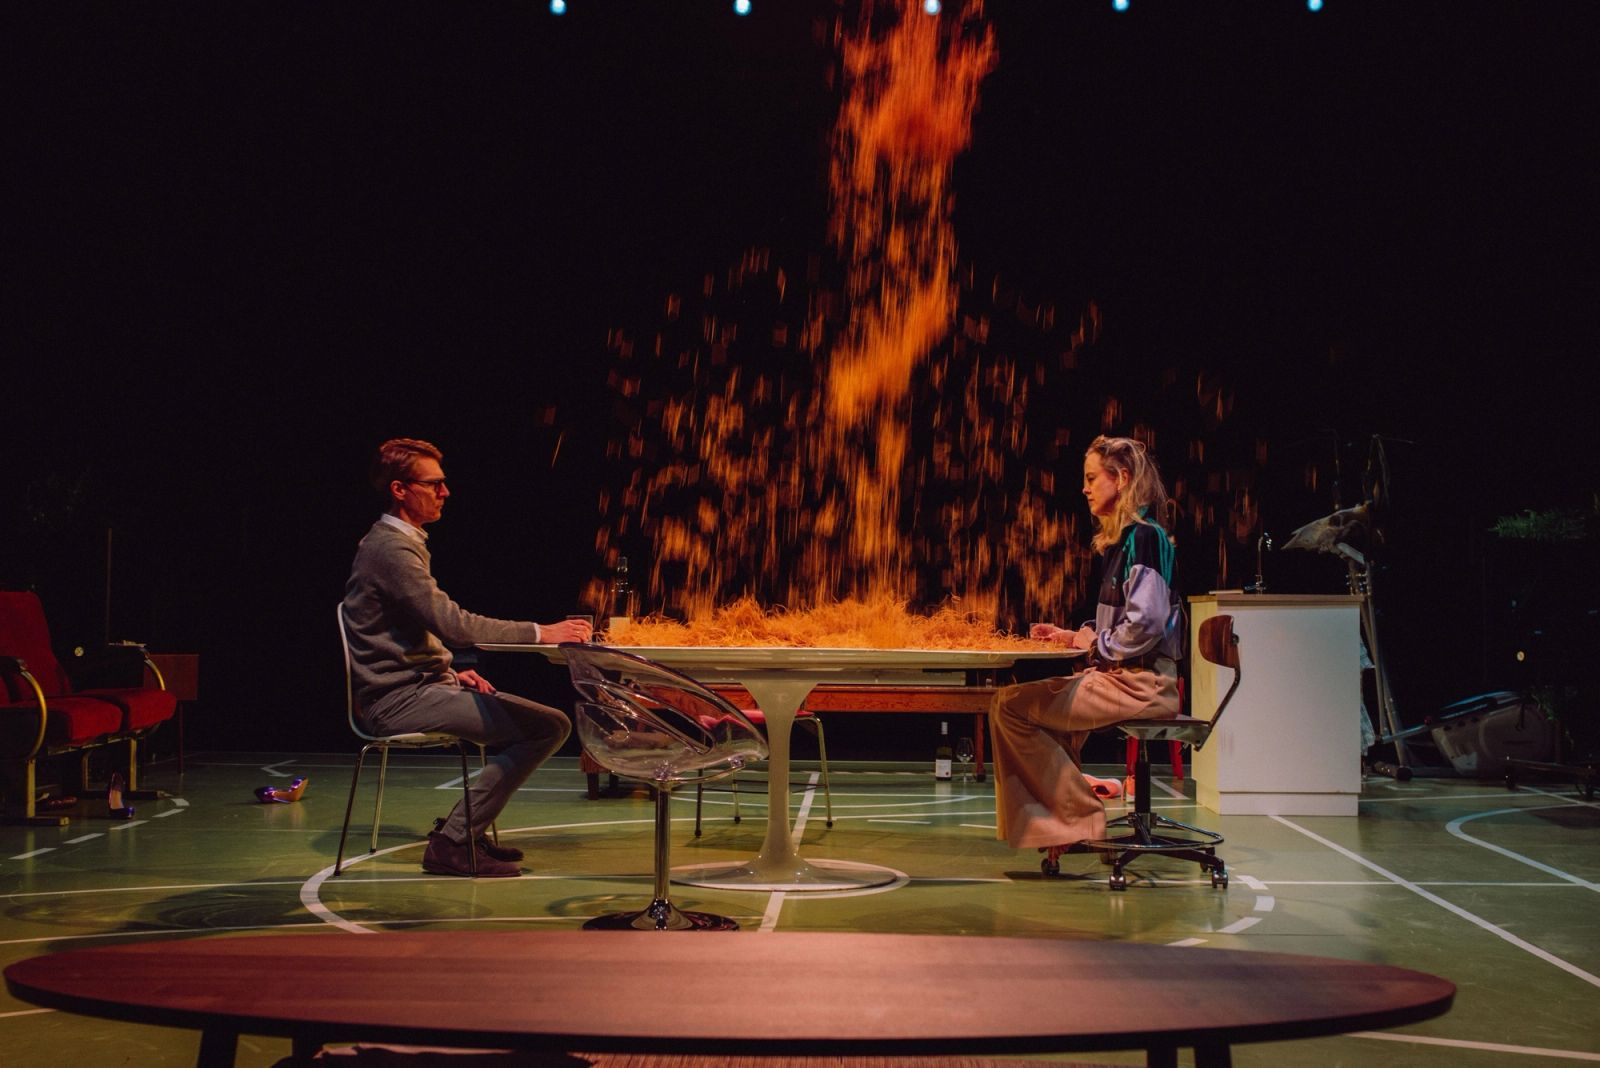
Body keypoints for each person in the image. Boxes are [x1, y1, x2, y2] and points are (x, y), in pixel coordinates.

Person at [342, 437, 592, 877]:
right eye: (433, 484)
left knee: (547, 724)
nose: (445, 492)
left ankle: (463, 832)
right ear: (400, 489)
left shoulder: (401, 542)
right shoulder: (391, 549)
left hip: (419, 687)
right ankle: (453, 841)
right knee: (547, 727)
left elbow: (406, 628)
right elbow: (454, 625)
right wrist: (542, 632)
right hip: (397, 700)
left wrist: (451, 671)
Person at [990, 434, 1183, 865]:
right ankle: (1065, 820)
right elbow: (1126, 625)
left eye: (1093, 478)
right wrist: (1071, 635)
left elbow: (1147, 623)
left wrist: (1094, 644)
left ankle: (1078, 818)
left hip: (1143, 684)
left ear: (1122, 478)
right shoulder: (1126, 542)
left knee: (1011, 708)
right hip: (1124, 677)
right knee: (1030, 709)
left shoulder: (1144, 537)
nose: (1085, 488)